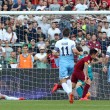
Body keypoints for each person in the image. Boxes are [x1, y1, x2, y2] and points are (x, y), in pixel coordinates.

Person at [52, 28, 82, 103]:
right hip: (71, 62)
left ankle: (69, 93)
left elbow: (54, 53)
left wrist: (59, 54)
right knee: (68, 78)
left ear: (62, 34)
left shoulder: (58, 42)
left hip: (63, 62)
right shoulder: (72, 42)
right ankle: (70, 97)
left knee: (62, 81)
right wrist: (80, 53)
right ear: (69, 35)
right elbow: (75, 51)